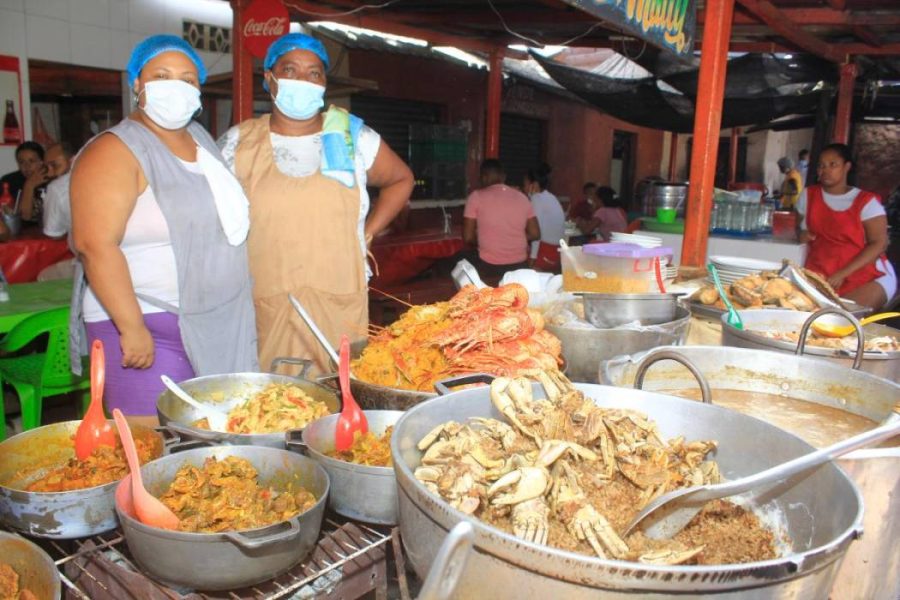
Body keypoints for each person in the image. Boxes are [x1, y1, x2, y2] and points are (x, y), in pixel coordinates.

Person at [70, 34, 258, 419]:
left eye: (188, 79)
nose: (176, 86)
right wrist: (131, 327)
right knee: (153, 447)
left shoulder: (201, 142)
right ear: (137, 83)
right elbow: (94, 244)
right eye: (161, 75)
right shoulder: (114, 150)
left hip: (212, 322)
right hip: (145, 325)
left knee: (212, 443)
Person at [219, 33, 413, 373]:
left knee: (338, 396)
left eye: (314, 74)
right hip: (268, 300)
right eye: (290, 70)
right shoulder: (239, 143)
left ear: (324, 83)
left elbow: (401, 179)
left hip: (337, 297)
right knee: (271, 402)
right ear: (270, 78)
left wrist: (367, 233)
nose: (303, 81)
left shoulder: (352, 137)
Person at [797, 143, 895, 310]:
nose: (825, 170)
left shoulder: (866, 202)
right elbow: (799, 228)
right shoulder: (808, 196)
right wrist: (801, 234)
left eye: (833, 164)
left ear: (847, 167)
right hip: (821, 273)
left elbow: (879, 243)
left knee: (842, 319)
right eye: (821, 166)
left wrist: (843, 273)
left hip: (866, 274)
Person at [463, 159, 540, 279]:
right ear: (504, 177)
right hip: (520, 266)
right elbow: (535, 234)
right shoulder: (522, 198)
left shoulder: (476, 197)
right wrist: (512, 238)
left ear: (483, 177)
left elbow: (468, 237)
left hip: (490, 267)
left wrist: (488, 240)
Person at [524, 164, 565, 272]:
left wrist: (532, 260)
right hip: (556, 253)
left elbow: (537, 234)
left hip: (545, 252)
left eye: (526, 183)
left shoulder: (536, 199)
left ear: (535, 184)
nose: (524, 187)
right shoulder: (551, 197)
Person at [34, 142, 74, 235]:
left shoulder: (56, 187)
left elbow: (52, 233)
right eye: (47, 167)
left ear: (72, 160)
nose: (50, 173)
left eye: (55, 165)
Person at [0, 141, 44, 206]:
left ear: (41, 162)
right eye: (21, 162)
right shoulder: (8, 181)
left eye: (31, 161)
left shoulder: (50, 181)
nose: (26, 166)